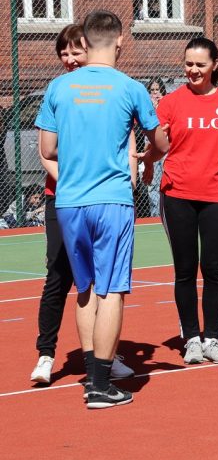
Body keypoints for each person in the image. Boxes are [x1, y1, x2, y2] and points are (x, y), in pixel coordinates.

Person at [35, 10, 169, 408]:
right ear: (120, 40)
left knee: (85, 288)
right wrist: (149, 156)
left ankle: (93, 376)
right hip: (111, 200)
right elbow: (161, 141)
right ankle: (98, 384)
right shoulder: (129, 87)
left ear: (85, 42)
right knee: (111, 290)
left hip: (69, 201)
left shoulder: (59, 87)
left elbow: (47, 150)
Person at [29, 25, 135, 386]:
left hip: (101, 197)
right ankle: (46, 354)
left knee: (106, 283)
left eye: (77, 51)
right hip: (64, 197)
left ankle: (104, 357)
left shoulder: (112, 91)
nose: (70, 58)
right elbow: (47, 152)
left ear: (91, 50)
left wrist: (129, 176)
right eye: (64, 52)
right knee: (58, 276)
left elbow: (124, 140)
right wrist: (74, 182)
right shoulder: (59, 91)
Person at [148, 37, 218, 365]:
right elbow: (159, 149)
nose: (193, 70)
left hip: (217, 196)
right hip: (177, 195)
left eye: (200, 64)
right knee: (185, 270)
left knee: (214, 270)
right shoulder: (170, 103)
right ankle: (191, 338)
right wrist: (153, 145)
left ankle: (212, 338)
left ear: (214, 65)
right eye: (188, 64)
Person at [143, 78, 166, 216]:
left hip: (165, 140)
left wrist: (161, 104)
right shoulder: (147, 104)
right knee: (153, 183)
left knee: (166, 176)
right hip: (150, 140)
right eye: (152, 90)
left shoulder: (166, 102)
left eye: (157, 90)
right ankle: (155, 214)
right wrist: (152, 107)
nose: (155, 93)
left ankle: (166, 211)